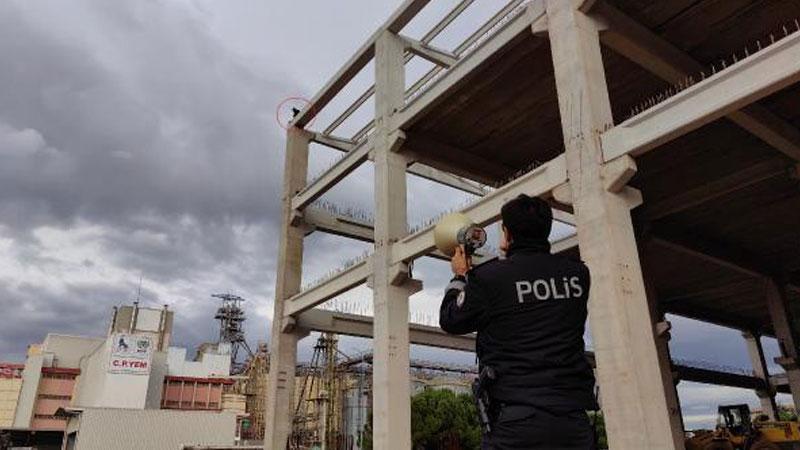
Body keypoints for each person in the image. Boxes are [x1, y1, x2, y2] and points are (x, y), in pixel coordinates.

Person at [439, 194, 597, 450]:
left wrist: (460, 277)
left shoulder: (489, 279)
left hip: (516, 423)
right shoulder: (578, 274)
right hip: (573, 420)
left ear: (507, 233)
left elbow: (451, 320)